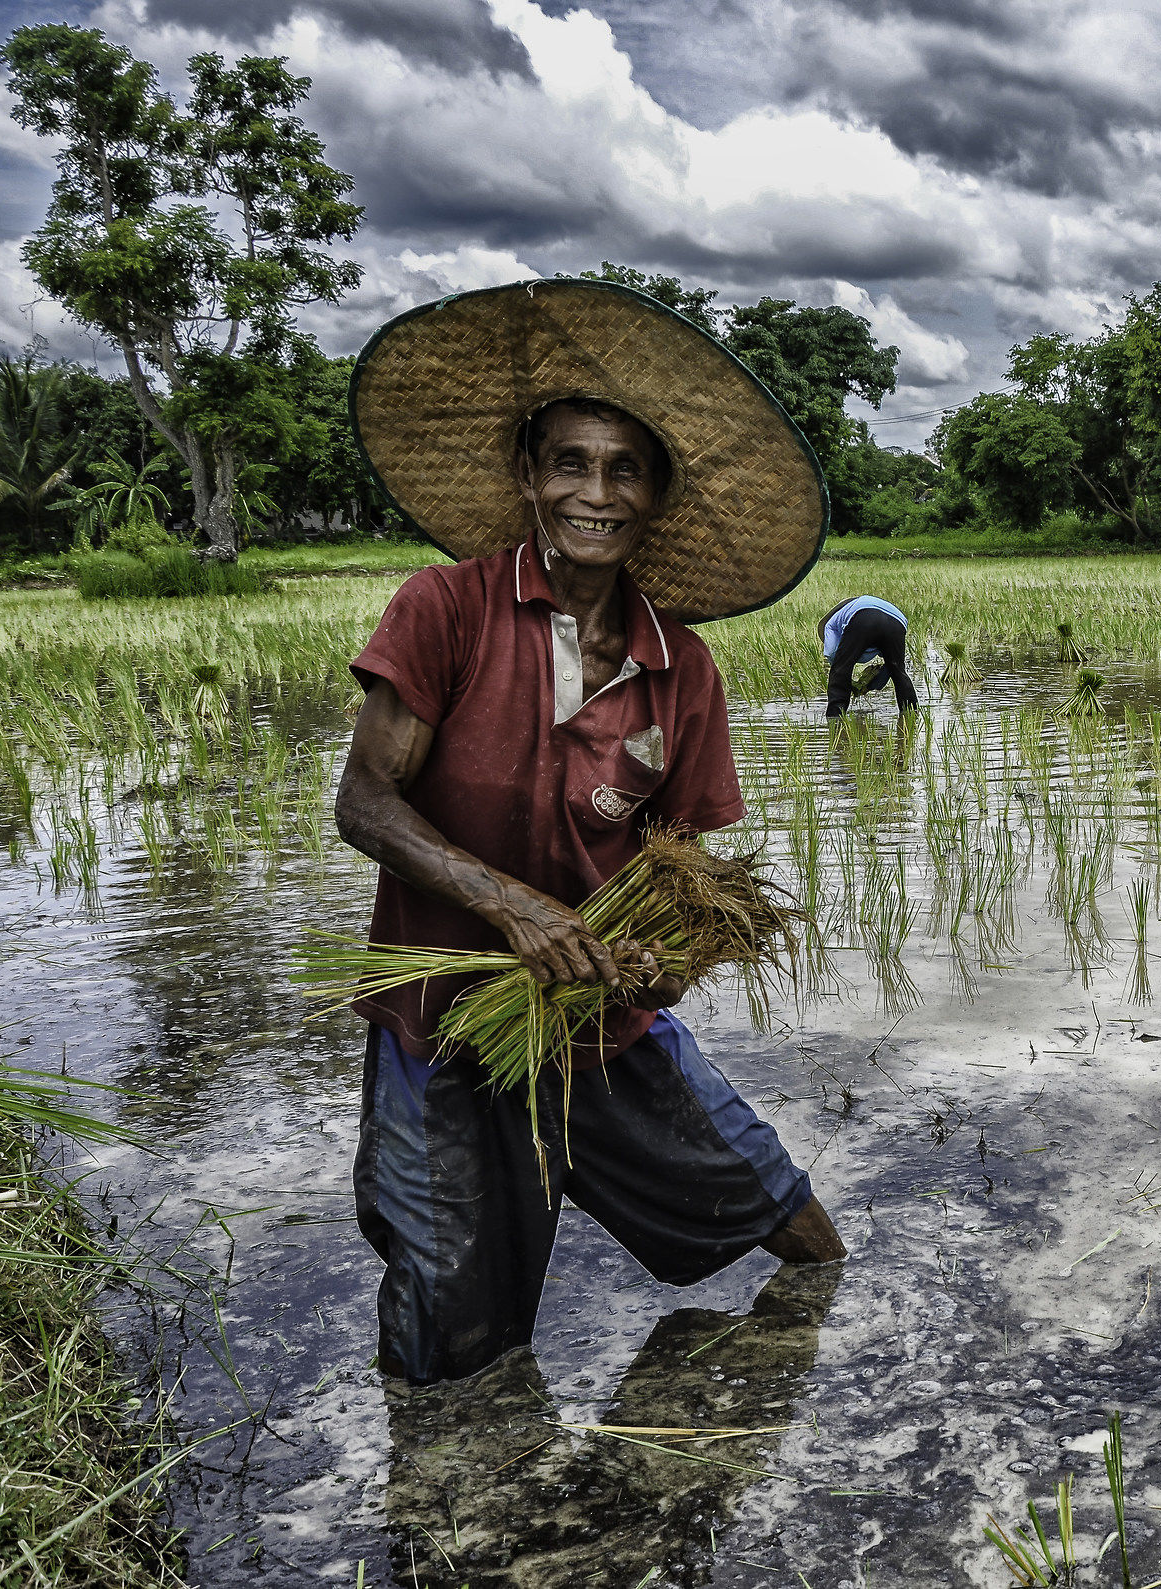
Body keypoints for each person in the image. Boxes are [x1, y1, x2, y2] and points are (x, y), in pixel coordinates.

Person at [335, 277, 845, 1387]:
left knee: (800, 1233)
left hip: (603, 1020)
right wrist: (514, 907)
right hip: (447, 1025)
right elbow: (365, 803)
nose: (594, 492)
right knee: (453, 1329)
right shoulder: (448, 609)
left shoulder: (681, 667)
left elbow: (688, 871)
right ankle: (443, 1506)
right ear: (529, 478)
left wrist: (667, 963)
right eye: (570, 463)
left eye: (624, 470)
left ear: (654, 495)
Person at [821, 593, 918, 717]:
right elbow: (889, 667)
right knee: (898, 670)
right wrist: (871, 685)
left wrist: (848, 679)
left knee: (841, 668)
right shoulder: (852, 608)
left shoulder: (830, 625)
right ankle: (911, 714)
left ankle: (835, 717)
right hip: (897, 622)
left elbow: (832, 655)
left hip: (864, 617)